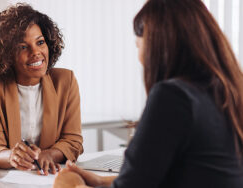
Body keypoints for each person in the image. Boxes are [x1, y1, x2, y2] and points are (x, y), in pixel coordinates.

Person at [54, 0, 243, 187]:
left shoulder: (174, 97)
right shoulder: (229, 91)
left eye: (138, 45)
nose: (140, 58)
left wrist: (70, 183)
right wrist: (100, 180)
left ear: (157, 46)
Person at [0, 3, 83, 175]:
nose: (36, 52)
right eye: (23, 47)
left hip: (48, 177)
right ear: (6, 54)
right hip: (2, 178)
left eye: (40, 42)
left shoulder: (65, 81)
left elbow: (73, 141)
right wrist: (12, 156)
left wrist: (49, 155)